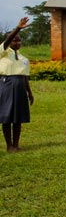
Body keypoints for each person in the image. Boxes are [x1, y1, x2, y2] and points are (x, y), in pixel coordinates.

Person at [0, 17, 32, 152]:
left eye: (19, 40)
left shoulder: (24, 59)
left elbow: (25, 77)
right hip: (6, 85)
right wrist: (18, 28)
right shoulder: (3, 53)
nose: (17, 42)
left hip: (19, 87)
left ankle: (16, 144)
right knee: (7, 117)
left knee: (18, 117)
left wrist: (29, 92)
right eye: (14, 40)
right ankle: (9, 145)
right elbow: (6, 42)